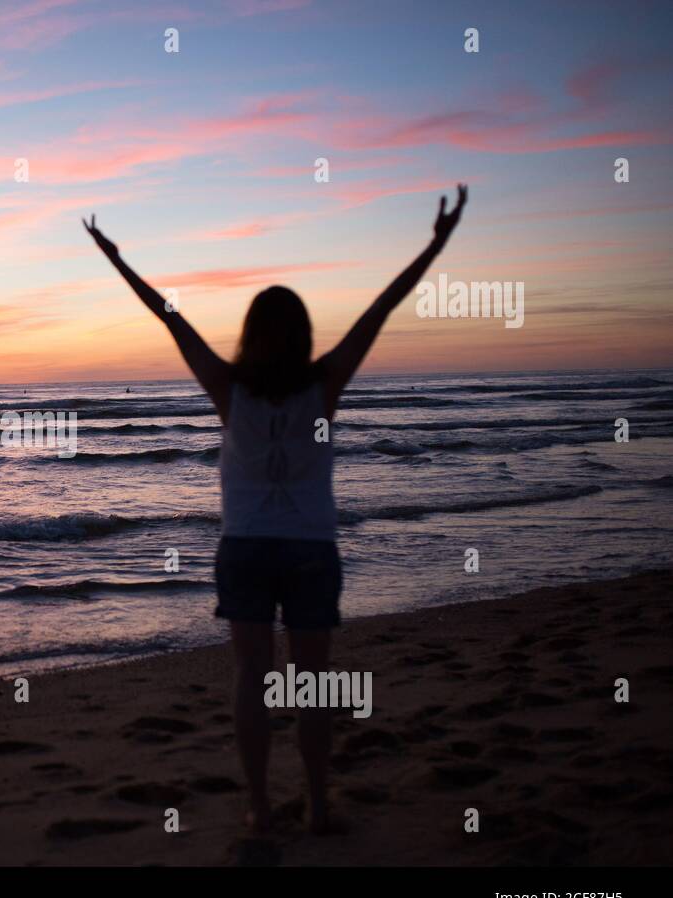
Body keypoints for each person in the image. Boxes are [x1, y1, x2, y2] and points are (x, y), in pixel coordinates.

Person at [83, 185, 468, 835]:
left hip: (247, 549)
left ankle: (261, 808)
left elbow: (167, 315)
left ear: (249, 335)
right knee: (312, 682)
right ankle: (319, 805)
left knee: (253, 680)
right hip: (312, 549)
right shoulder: (326, 383)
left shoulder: (228, 388)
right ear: (303, 335)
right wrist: (436, 242)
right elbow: (383, 306)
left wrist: (116, 258)